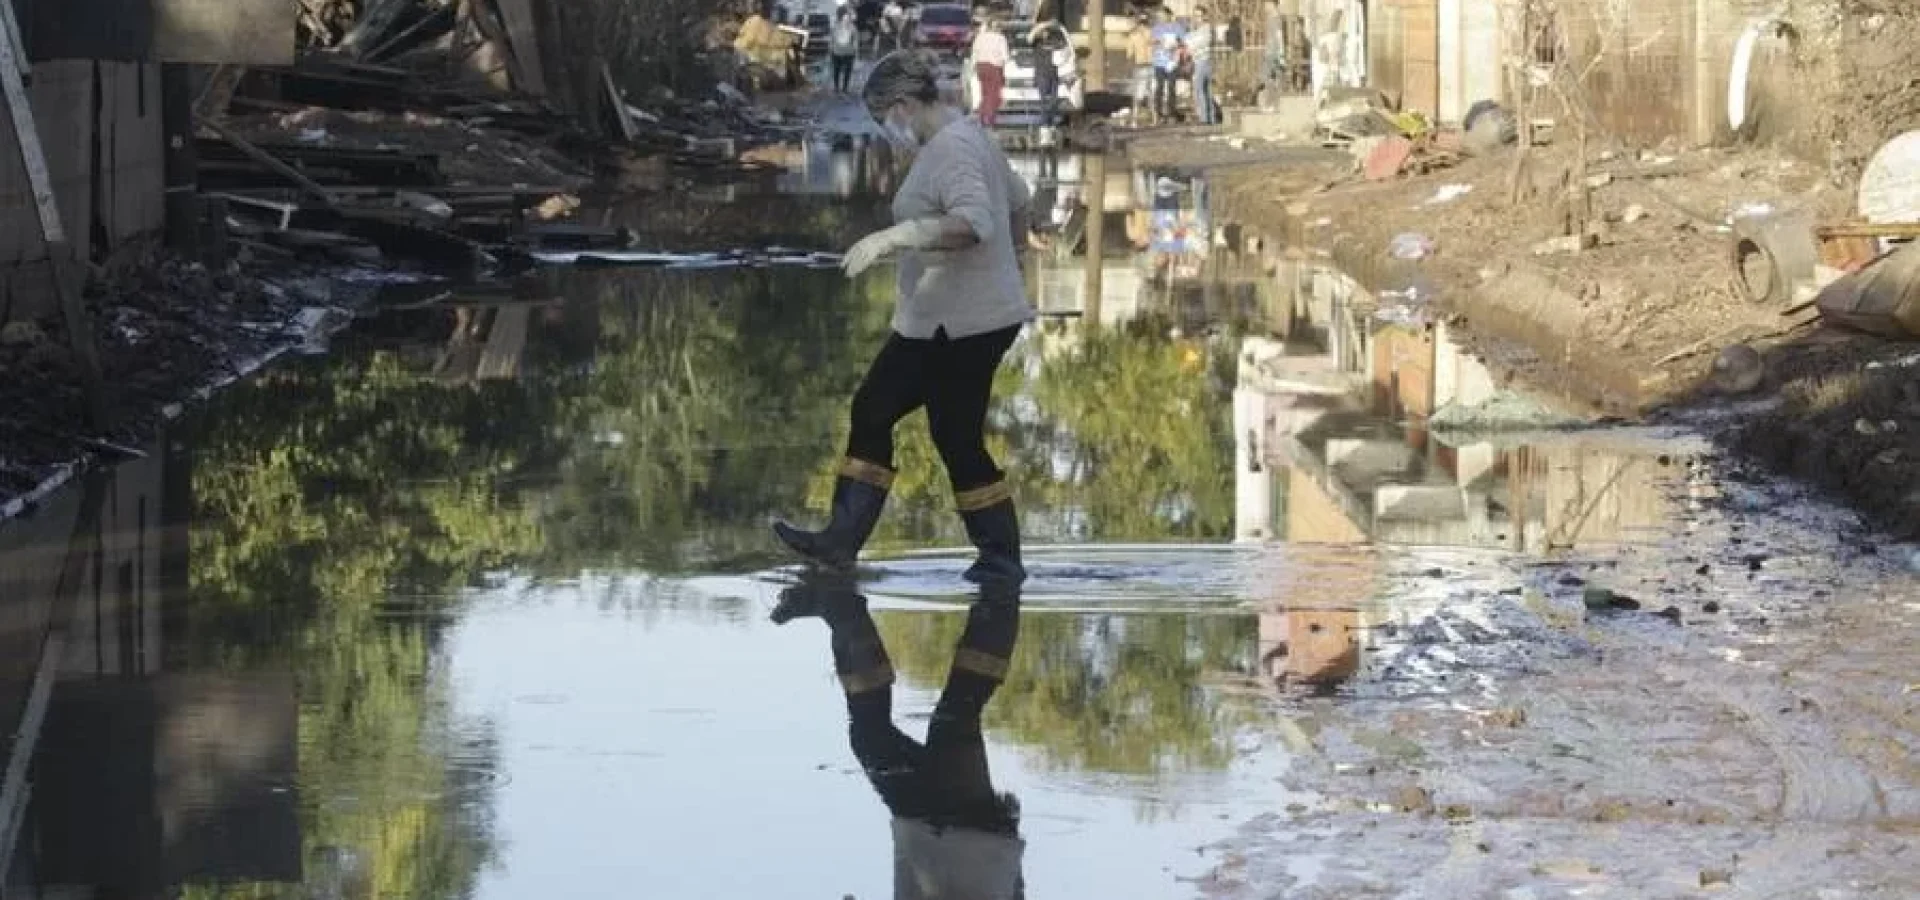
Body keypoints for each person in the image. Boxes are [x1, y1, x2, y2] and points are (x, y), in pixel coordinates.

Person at [773, 51, 1037, 586]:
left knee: (936, 428)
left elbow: (974, 223)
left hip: (960, 324)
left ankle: (999, 560)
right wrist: (1011, 265)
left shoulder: (953, 149)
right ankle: (845, 542)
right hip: (954, 316)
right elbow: (1020, 199)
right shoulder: (969, 135)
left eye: (883, 120)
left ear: (901, 105)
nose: (887, 132)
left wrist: (900, 236)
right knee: (899, 417)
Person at [772, 575, 1026, 900]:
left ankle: (841, 609)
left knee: (872, 737)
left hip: (929, 837)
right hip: (971, 846)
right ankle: (1001, 595)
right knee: (954, 720)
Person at [1028, 19, 1070, 131]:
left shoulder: (1054, 41)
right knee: (1043, 101)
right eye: (1043, 31)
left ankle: (1050, 122)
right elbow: (1030, 38)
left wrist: (1054, 26)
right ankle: (1044, 124)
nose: (1045, 33)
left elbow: (1065, 47)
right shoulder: (1036, 42)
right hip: (1041, 75)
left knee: (1053, 101)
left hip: (1053, 74)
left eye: (1047, 31)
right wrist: (1041, 26)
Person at [970, 13, 1010, 128]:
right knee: (994, 95)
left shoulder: (980, 37)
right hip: (994, 67)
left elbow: (974, 53)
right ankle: (990, 119)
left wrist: (974, 67)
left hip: (981, 66)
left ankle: (983, 117)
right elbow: (1005, 56)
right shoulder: (1000, 38)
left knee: (985, 92)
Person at [1150, 7, 1186, 124]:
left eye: (1163, 15)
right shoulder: (1156, 28)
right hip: (1159, 62)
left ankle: (1171, 112)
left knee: (1171, 87)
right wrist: (1159, 42)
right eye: (1159, 16)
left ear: (1169, 15)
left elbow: (1184, 42)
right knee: (1159, 87)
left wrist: (1176, 44)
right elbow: (1152, 42)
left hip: (1172, 61)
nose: (1161, 18)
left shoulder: (1177, 27)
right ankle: (1158, 113)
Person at [1188, 7, 1218, 125]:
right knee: (1203, 89)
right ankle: (1209, 117)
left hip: (1204, 61)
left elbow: (1202, 42)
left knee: (1201, 89)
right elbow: (1188, 43)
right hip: (1197, 61)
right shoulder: (1194, 31)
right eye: (1195, 16)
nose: (1196, 19)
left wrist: (1193, 44)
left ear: (1204, 16)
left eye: (1199, 16)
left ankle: (1205, 117)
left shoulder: (1206, 29)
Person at [1126, 16, 1156, 125]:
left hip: (1146, 65)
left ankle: (1140, 119)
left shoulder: (1136, 35)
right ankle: (1150, 118)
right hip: (1145, 66)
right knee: (1146, 94)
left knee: (1144, 94)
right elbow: (1130, 54)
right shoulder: (1150, 34)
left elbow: (1129, 54)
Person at [830, 6, 860, 92]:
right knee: (836, 70)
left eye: (848, 16)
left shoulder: (853, 28)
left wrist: (856, 52)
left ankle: (845, 87)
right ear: (841, 16)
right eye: (846, 15)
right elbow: (832, 39)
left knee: (847, 71)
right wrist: (831, 50)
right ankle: (836, 87)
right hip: (837, 52)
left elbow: (855, 41)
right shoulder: (835, 27)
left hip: (849, 53)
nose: (847, 17)